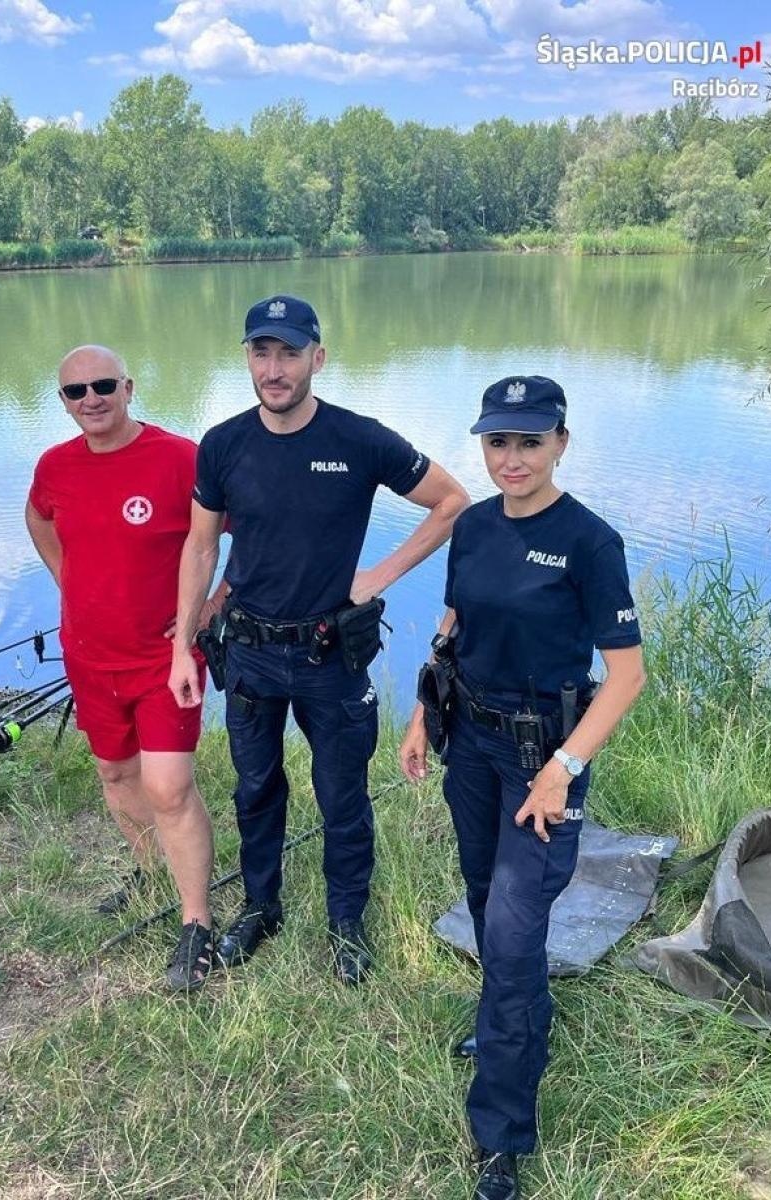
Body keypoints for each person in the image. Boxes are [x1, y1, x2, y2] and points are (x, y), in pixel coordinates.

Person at [169, 295, 469, 985]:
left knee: (341, 795)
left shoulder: (359, 440)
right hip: (246, 653)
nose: (274, 369)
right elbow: (200, 546)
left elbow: (452, 501)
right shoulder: (222, 445)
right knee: (255, 786)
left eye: (289, 353)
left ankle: (347, 922)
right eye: (261, 352)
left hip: (330, 654)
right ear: (247, 358)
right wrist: (183, 645)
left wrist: (382, 573)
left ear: (318, 358)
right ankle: (261, 906)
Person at [399, 376, 646, 1200]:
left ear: (561, 443)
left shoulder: (590, 542)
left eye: (529, 442)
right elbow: (454, 624)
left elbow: (626, 676)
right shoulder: (470, 528)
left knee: (510, 933)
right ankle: (515, 1023)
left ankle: (500, 1136)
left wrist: (562, 768)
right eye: (498, 442)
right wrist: (421, 715)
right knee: (482, 900)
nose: (511, 459)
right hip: (470, 744)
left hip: (545, 762)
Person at [25, 344, 221, 992]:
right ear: (63, 402)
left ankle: (196, 921)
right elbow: (38, 519)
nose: (91, 400)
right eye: (75, 392)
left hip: (164, 660)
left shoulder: (179, 457)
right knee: (115, 772)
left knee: (168, 787)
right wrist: (66, 578)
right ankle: (149, 870)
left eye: (103, 385)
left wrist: (211, 608)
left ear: (129, 387)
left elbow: (241, 532)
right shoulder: (55, 466)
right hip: (89, 656)